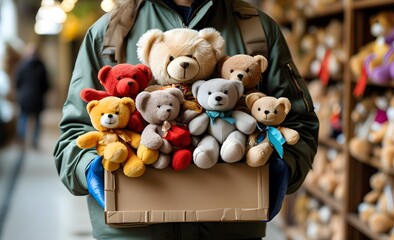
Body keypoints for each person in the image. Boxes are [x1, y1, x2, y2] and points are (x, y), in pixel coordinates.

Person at [53, 0, 319, 239]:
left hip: (227, 228)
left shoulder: (256, 30)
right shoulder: (110, 33)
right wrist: (89, 169)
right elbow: (74, 131)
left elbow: (299, 122)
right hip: (133, 232)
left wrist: (284, 167)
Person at [15, 42, 49, 149]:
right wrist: (41, 93)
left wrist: (21, 92)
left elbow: (17, 82)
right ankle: (34, 142)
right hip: (38, 97)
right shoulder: (41, 65)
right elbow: (46, 84)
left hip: (25, 97)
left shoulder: (22, 65)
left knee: (23, 118)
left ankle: (21, 140)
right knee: (37, 121)